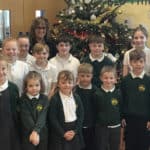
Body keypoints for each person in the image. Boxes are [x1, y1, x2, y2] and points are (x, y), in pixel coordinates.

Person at [121, 50, 150, 150]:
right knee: (130, 144)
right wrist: (123, 116)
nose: (138, 64)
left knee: (144, 144)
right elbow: (122, 99)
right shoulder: (125, 80)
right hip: (129, 119)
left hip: (145, 120)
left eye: (141, 61)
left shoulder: (148, 80)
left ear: (145, 62)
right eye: (135, 62)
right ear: (130, 63)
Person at [48, 70, 84, 150]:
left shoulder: (77, 98)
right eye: (63, 83)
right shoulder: (55, 99)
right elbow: (52, 118)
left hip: (74, 131)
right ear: (58, 84)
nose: (67, 85)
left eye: (69, 82)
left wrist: (75, 131)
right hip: (60, 132)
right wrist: (63, 133)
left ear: (73, 84)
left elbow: (81, 115)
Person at [18, 71, 49, 150]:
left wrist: (36, 131)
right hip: (28, 135)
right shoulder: (22, 100)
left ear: (41, 85)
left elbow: (42, 117)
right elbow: (26, 118)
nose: (34, 88)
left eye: (37, 85)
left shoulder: (44, 99)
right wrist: (34, 133)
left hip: (42, 134)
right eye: (30, 86)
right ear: (26, 87)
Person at [94, 66, 122, 150]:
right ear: (101, 78)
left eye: (111, 78)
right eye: (105, 78)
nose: (108, 80)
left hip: (115, 127)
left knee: (114, 146)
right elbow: (95, 111)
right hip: (101, 127)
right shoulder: (97, 94)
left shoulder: (118, 93)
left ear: (115, 79)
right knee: (101, 147)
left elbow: (121, 108)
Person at [0, 54, 20, 150]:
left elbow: (17, 109)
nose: (1, 72)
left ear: (7, 69)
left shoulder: (13, 88)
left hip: (11, 129)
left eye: (3, 69)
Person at [75, 63, 97, 150]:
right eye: (82, 76)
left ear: (92, 76)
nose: (85, 78)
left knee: (91, 146)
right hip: (77, 126)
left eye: (88, 76)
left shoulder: (95, 91)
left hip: (92, 125)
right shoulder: (74, 90)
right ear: (78, 76)